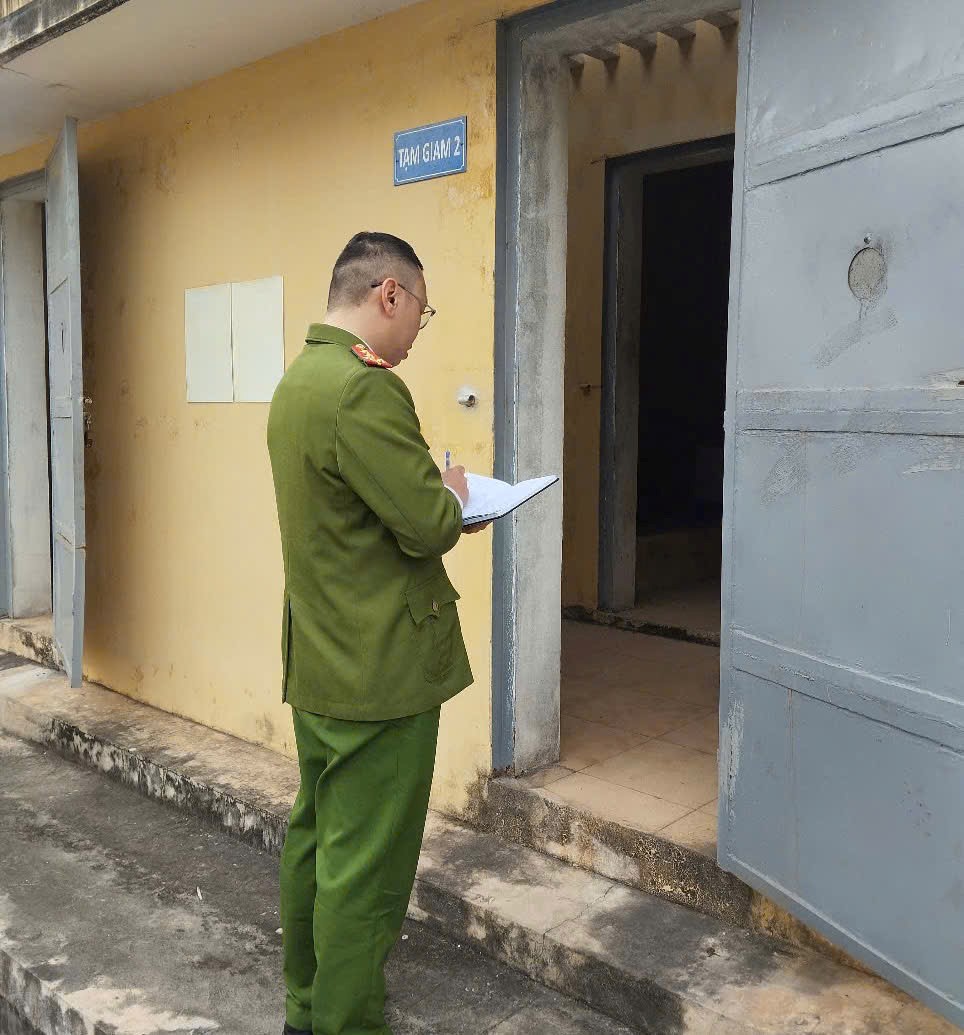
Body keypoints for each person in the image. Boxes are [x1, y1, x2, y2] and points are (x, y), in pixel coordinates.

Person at [267, 231, 487, 1035]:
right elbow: (427, 524)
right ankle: (346, 1022)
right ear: (388, 293)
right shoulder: (364, 390)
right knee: (367, 873)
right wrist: (454, 490)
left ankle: (306, 1006)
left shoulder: (298, 382)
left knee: (317, 840)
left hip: (322, 661)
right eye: (420, 313)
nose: (417, 332)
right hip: (381, 674)